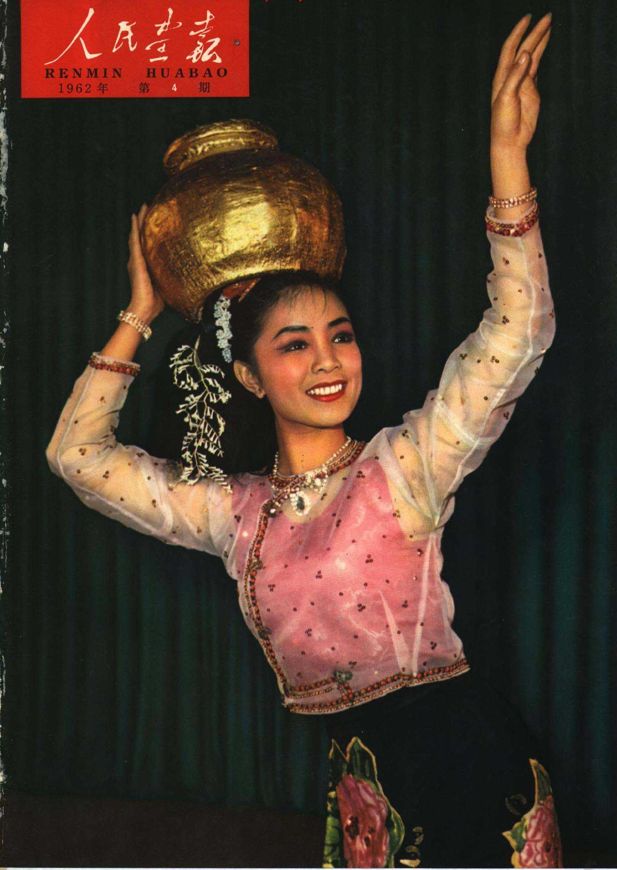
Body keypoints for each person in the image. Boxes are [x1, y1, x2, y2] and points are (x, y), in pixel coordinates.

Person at [45, 13, 561, 868]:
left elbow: (520, 330)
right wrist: (137, 314)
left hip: (473, 771)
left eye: (341, 336)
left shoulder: (406, 465)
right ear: (249, 376)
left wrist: (508, 159)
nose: (328, 362)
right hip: (362, 787)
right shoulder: (235, 513)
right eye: (294, 345)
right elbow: (78, 458)